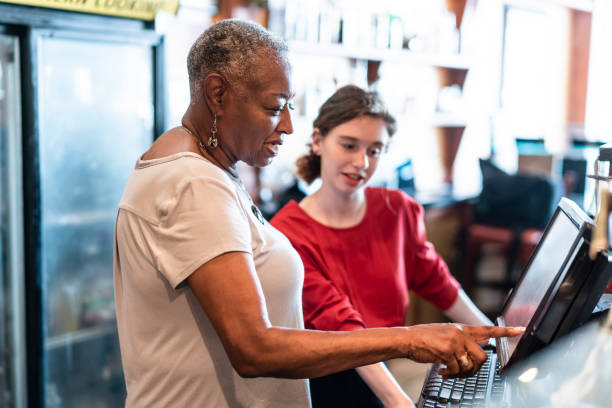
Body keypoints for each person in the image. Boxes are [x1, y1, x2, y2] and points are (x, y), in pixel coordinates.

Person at [113, 19, 522, 408]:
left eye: (289, 106)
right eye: (275, 107)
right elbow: (253, 348)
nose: (287, 125)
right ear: (217, 94)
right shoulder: (193, 183)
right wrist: (409, 340)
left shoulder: (204, 167)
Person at [270, 85, 495, 407]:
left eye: (374, 150)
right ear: (318, 141)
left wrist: (499, 346)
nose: (361, 162)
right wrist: (397, 402)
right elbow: (345, 329)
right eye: (349, 146)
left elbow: (440, 285)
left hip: (386, 364)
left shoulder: (397, 210)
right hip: (328, 385)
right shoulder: (289, 233)